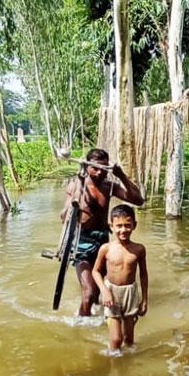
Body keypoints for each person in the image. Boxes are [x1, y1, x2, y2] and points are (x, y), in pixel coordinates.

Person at [61, 148, 144, 316]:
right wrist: (73, 207)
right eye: (95, 168)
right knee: (90, 291)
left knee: (99, 291)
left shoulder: (109, 187)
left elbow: (138, 200)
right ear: (87, 167)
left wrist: (121, 175)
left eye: (104, 168)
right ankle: (82, 326)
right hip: (81, 244)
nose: (100, 172)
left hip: (103, 243)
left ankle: (98, 318)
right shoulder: (76, 185)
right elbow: (63, 217)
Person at [91, 204, 148, 355]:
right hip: (111, 293)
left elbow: (143, 274)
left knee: (129, 339)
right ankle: (114, 369)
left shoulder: (139, 249)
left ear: (134, 225)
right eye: (119, 226)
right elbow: (95, 271)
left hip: (130, 293)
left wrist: (145, 300)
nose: (123, 230)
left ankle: (128, 369)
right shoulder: (106, 248)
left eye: (127, 225)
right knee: (116, 339)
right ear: (111, 225)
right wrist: (104, 291)